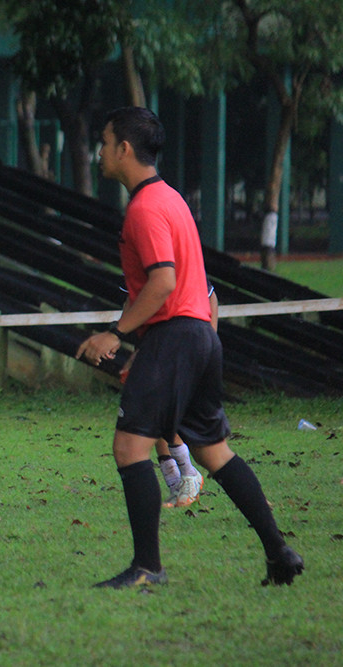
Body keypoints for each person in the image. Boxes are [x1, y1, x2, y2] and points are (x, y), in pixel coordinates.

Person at [76, 107, 303, 588]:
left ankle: (147, 567)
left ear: (125, 149)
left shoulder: (144, 208)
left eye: (104, 141)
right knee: (213, 451)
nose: (98, 152)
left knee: (129, 445)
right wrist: (151, 348)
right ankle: (279, 552)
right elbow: (186, 289)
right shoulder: (172, 200)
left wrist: (115, 334)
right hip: (197, 335)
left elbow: (162, 283)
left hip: (178, 335)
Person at [119, 287, 217, 509]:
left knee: (167, 417)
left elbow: (210, 294)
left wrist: (209, 340)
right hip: (154, 343)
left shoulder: (172, 260)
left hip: (179, 343)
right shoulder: (136, 261)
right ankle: (177, 483)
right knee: (153, 416)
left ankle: (190, 475)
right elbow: (131, 299)